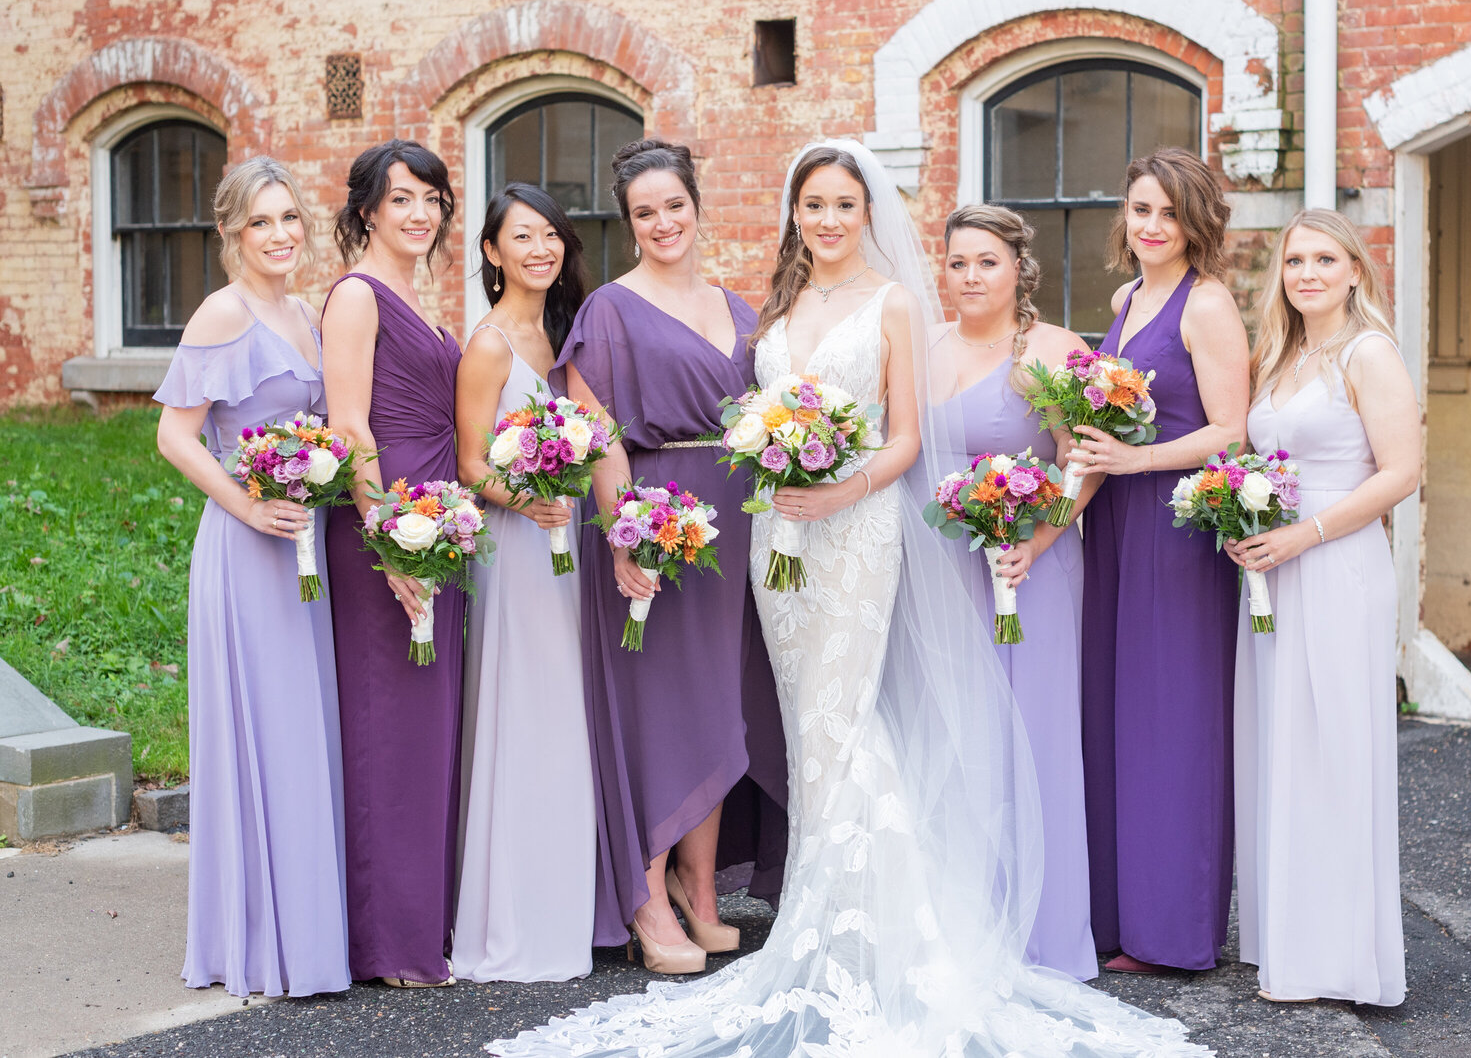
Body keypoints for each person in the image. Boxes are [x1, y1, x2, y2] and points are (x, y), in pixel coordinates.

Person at [485, 139, 1210, 1058]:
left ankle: (872, 937)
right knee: (808, 728)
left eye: (843, 204)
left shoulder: (895, 302)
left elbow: (906, 440)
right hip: (778, 538)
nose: (827, 220)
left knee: (847, 721)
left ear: (869, 213)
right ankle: (820, 926)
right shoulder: (777, 306)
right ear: (794, 213)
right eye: (812, 205)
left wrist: (837, 491)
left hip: (857, 531)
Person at [548, 137, 786, 974]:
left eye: (674, 207)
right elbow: (597, 427)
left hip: (740, 523)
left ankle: (702, 886)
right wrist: (625, 532)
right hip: (660, 517)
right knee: (658, 708)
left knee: (721, 701)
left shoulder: (743, 308)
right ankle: (646, 899)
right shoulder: (609, 309)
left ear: (696, 205)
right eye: (644, 214)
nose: (662, 223)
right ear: (629, 223)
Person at [153, 155, 348, 998]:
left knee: (304, 727)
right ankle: (261, 940)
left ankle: (311, 928)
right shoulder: (222, 313)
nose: (280, 235)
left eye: (290, 220)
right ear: (233, 233)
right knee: (263, 726)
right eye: (261, 222)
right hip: (246, 546)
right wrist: (248, 505)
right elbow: (176, 435)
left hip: (305, 542)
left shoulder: (305, 313)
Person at [1228, 207, 1415, 1006]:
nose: (1307, 273)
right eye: (1295, 260)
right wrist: (1238, 517)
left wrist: (1304, 535)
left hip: (1337, 566)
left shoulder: (1369, 354)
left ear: (1353, 273)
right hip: (1273, 569)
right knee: (1282, 748)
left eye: (1324, 260)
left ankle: (1342, 958)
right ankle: (1288, 941)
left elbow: (1401, 472)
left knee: (1336, 750)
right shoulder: (1281, 355)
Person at [1070, 146, 1250, 975]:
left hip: (1174, 529)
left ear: (1197, 222)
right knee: (1113, 715)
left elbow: (1231, 431)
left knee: (1170, 722)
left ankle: (1173, 932)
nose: (1151, 227)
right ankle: (1117, 917)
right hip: (1111, 525)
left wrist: (1135, 463)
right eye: (1141, 209)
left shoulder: (1206, 304)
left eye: (1169, 214)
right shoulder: (1125, 297)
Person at [932, 203, 1099, 980]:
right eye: (959, 262)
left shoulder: (1051, 350)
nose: (972, 276)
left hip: (1030, 569)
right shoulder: (927, 350)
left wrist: (1038, 540)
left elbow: (1083, 460)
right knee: (959, 741)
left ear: (1018, 269)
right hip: (948, 571)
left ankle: (1043, 934)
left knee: (1032, 743)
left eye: (987, 262)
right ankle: (965, 919)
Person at [322, 139, 464, 988]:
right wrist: (386, 540)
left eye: (432, 199)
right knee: (387, 726)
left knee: (428, 727)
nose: (419, 213)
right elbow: (349, 429)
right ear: (368, 209)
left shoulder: (420, 294)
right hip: (387, 531)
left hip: (438, 524)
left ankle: (423, 921)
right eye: (401, 198)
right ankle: (384, 940)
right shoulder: (355, 296)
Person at [451, 183, 596, 983]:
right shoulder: (491, 346)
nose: (541, 249)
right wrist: (530, 499)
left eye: (551, 236)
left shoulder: (562, 331)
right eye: (522, 237)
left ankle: (567, 904)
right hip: (519, 543)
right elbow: (472, 465)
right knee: (526, 708)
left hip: (568, 538)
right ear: (492, 252)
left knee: (569, 708)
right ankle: (513, 918)